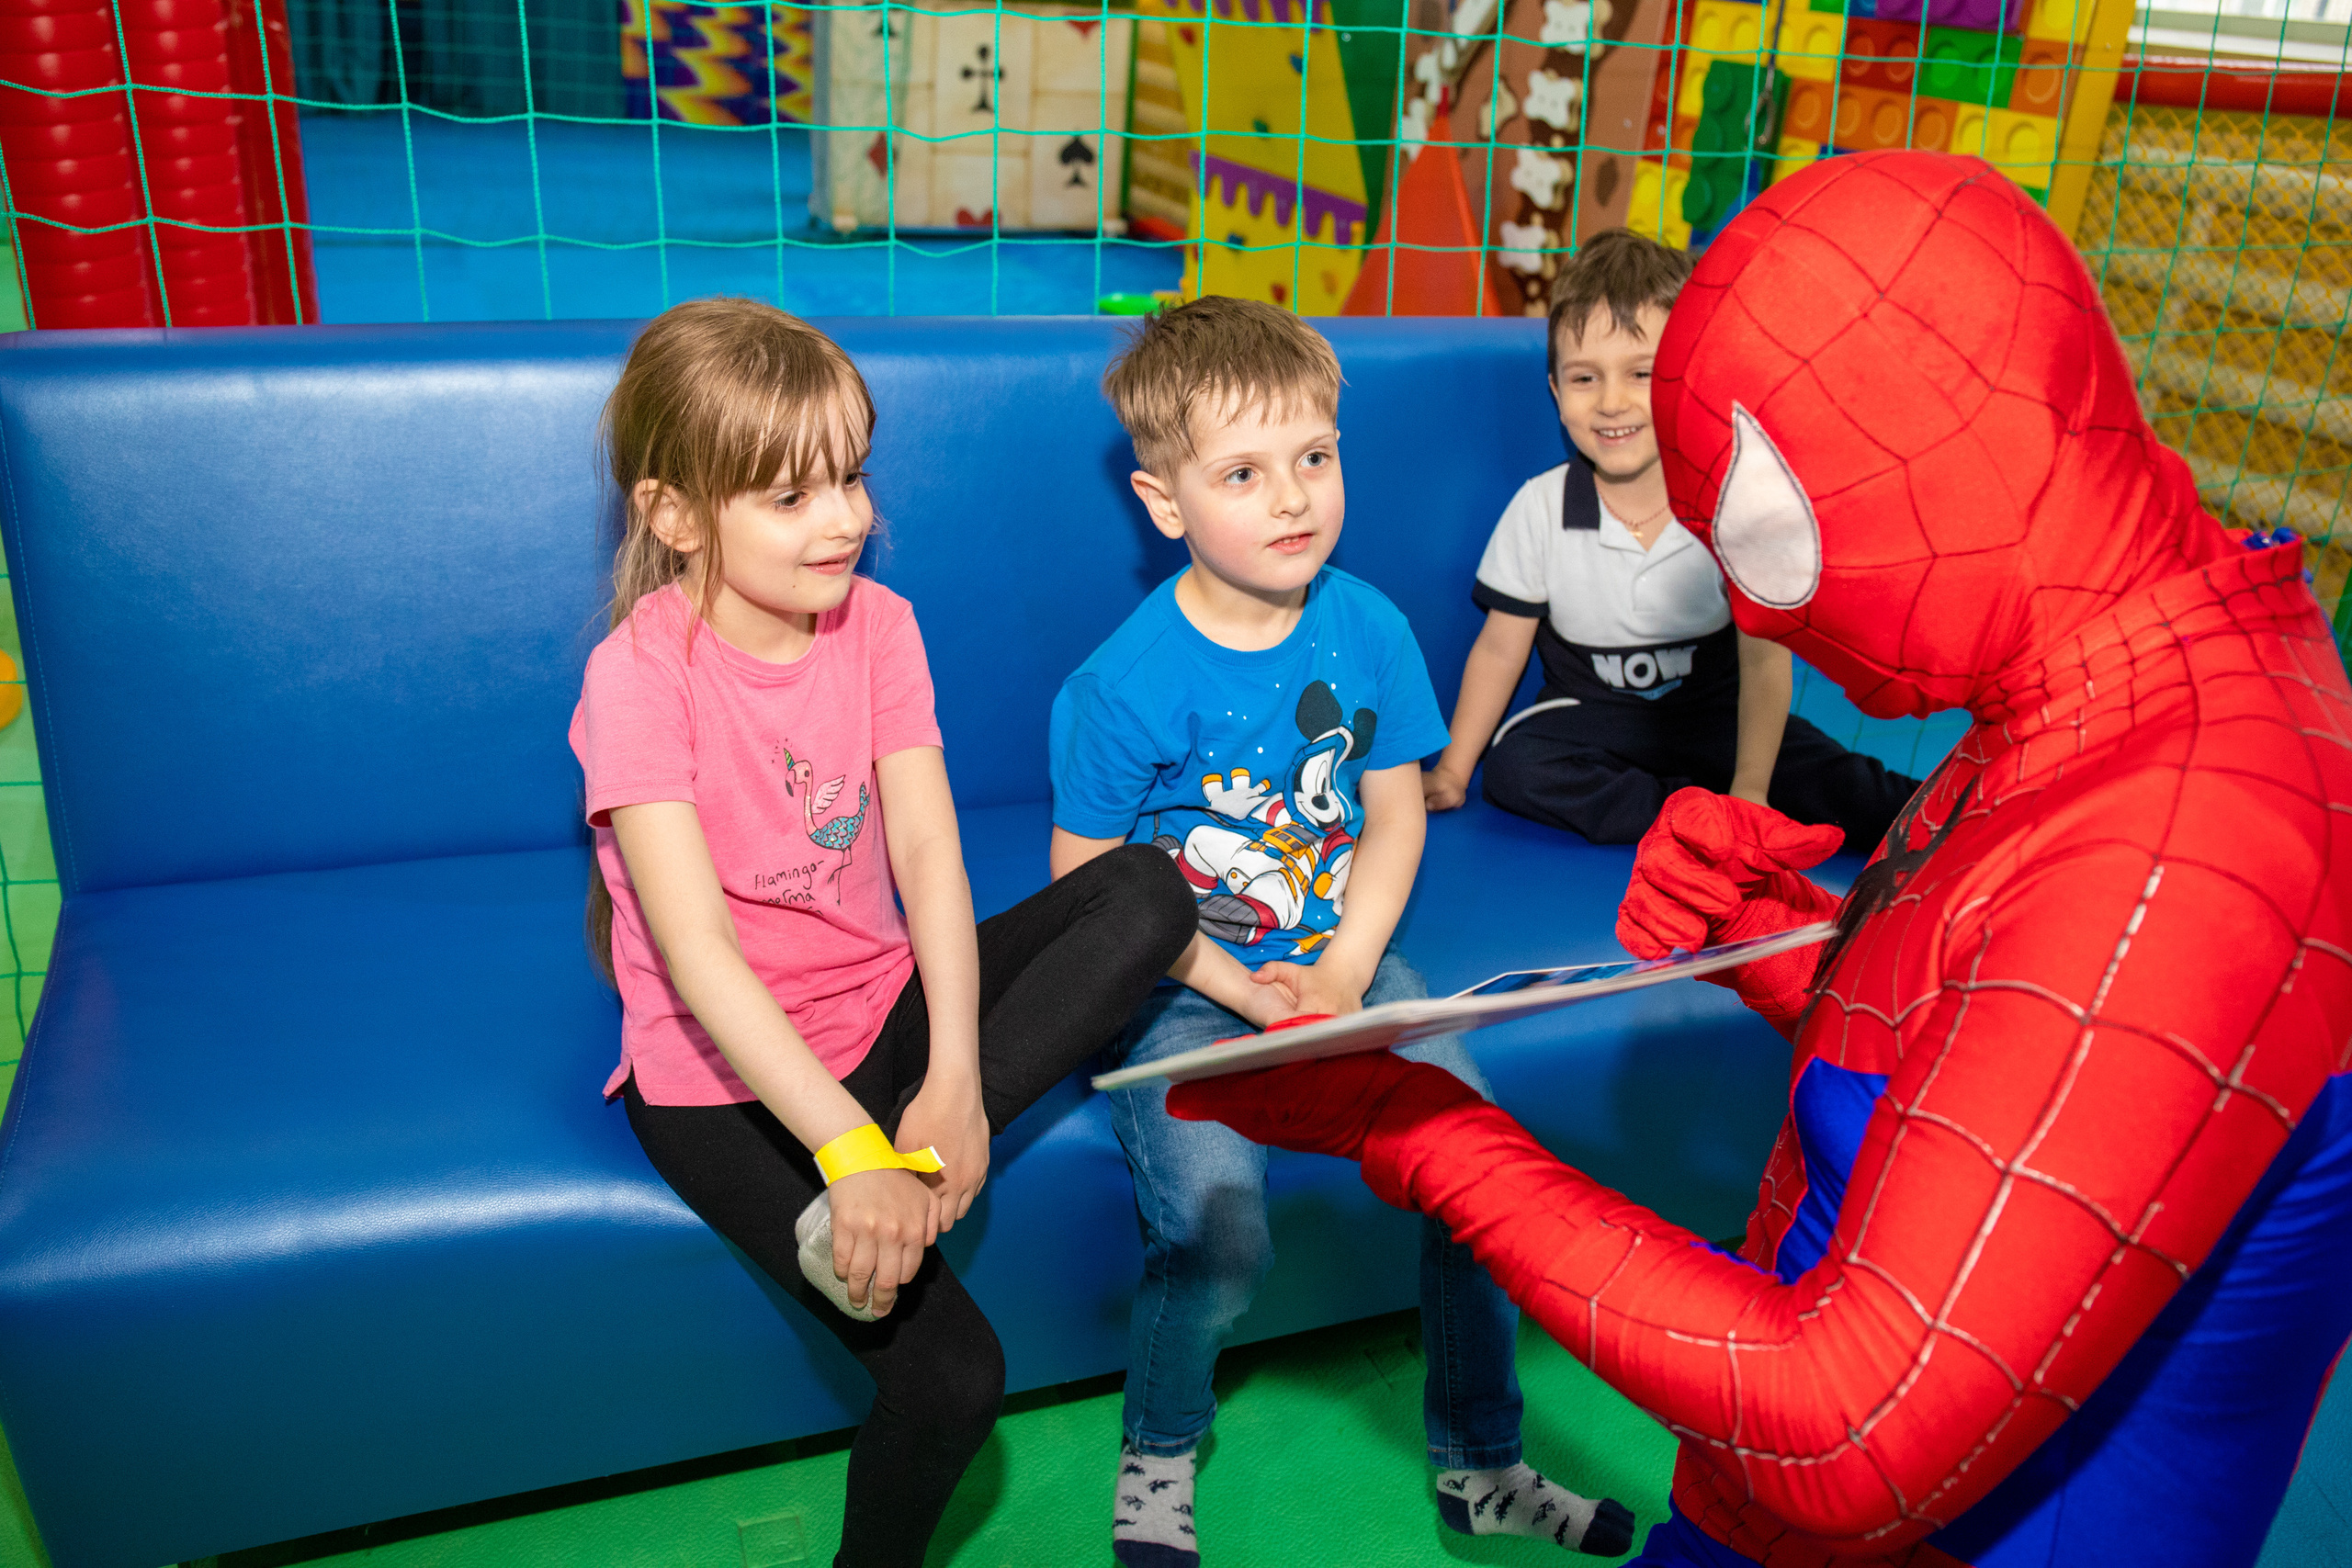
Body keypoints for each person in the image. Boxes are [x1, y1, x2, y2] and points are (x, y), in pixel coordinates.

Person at [1167, 152, 2352, 1568]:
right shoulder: (2103, 680)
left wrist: (1421, 1127)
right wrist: (1791, 943)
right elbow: (2017, 1060)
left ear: (1934, 434)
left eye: (1765, 531)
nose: (1742, 591)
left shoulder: (2193, 829)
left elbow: (1852, 1424)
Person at [569, 298, 1197, 1568]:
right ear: (676, 514)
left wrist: (957, 1083)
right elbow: (697, 955)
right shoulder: (638, 681)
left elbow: (926, 856)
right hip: (720, 1079)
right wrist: (845, 1147)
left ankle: (914, 1171)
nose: (845, 517)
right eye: (791, 498)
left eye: (850, 475)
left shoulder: (880, 623)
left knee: (1149, 892)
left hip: (883, 1012)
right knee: (958, 1378)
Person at [1048, 295, 1633, 1567]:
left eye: (1316, 456)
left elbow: (1394, 814)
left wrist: (1350, 968)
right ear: (1165, 504)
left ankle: (1481, 1459)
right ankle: (1159, 1446)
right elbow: (1087, 882)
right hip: (1180, 982)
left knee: (1481, 1180)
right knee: (1220, 1228)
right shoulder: (1124, 682)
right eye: (1245, 472)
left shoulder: (1365, 624)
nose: (1294, 495)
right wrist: (1235, 986)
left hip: (1338, 959)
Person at [1422, 228, 1918, 852]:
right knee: (1518, 770)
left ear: (1688, 379)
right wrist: (1453, 769)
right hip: (1592, 718)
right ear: (1555, 390)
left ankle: (1958, 820)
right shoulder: (1541, 507)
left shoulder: (1733, 507)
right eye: (1584, 379)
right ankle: (1690, 817)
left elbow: (1764, 658)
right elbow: (1499, 651)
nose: (1612, 402)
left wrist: (1751, 788)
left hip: (1717, 717)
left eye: (1641, 374)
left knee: (1844, 784)